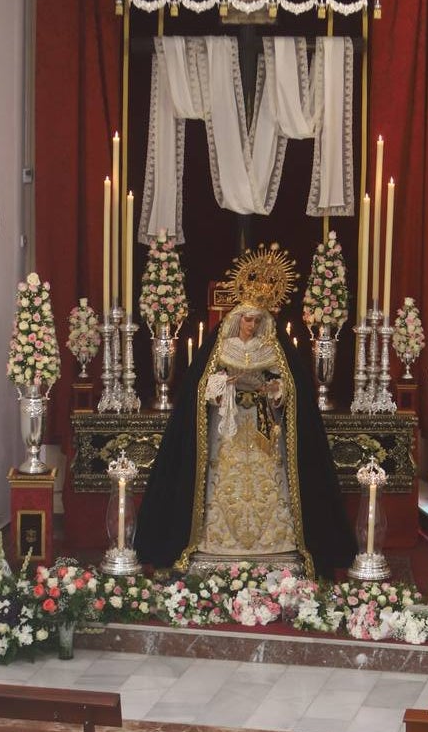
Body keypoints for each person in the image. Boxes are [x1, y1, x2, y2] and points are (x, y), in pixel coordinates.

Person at [135, 247, 355, 578]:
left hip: (265, 428)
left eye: (256, 319)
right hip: (230, 428)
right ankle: (214, 541)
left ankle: (277, 543)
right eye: (246, 319)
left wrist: (275, 391)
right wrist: (225, 384)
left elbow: (292, 389)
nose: (250, 325)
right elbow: (201, 390)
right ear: (236, 319)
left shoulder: (274, 348)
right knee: (225, 484)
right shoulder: (222, 347)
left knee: (270, 484)